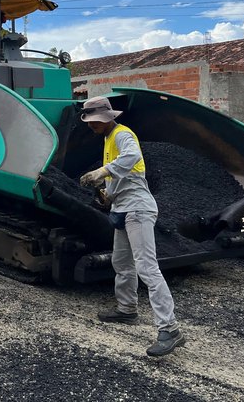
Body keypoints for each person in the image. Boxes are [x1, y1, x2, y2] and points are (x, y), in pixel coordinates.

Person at [79, 95, 185, 357]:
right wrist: (107, 194)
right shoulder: (107, 138)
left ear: (109, 118)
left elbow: (132, 157)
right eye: (89, 121)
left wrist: (101, 173)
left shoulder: (123, 135)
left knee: (147, 268)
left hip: (138, 208)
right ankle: (127, 309)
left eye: (96, 121)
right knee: (122, 262)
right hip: (123, 207)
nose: (92, 125)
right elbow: (125, 176)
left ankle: (170, 329)